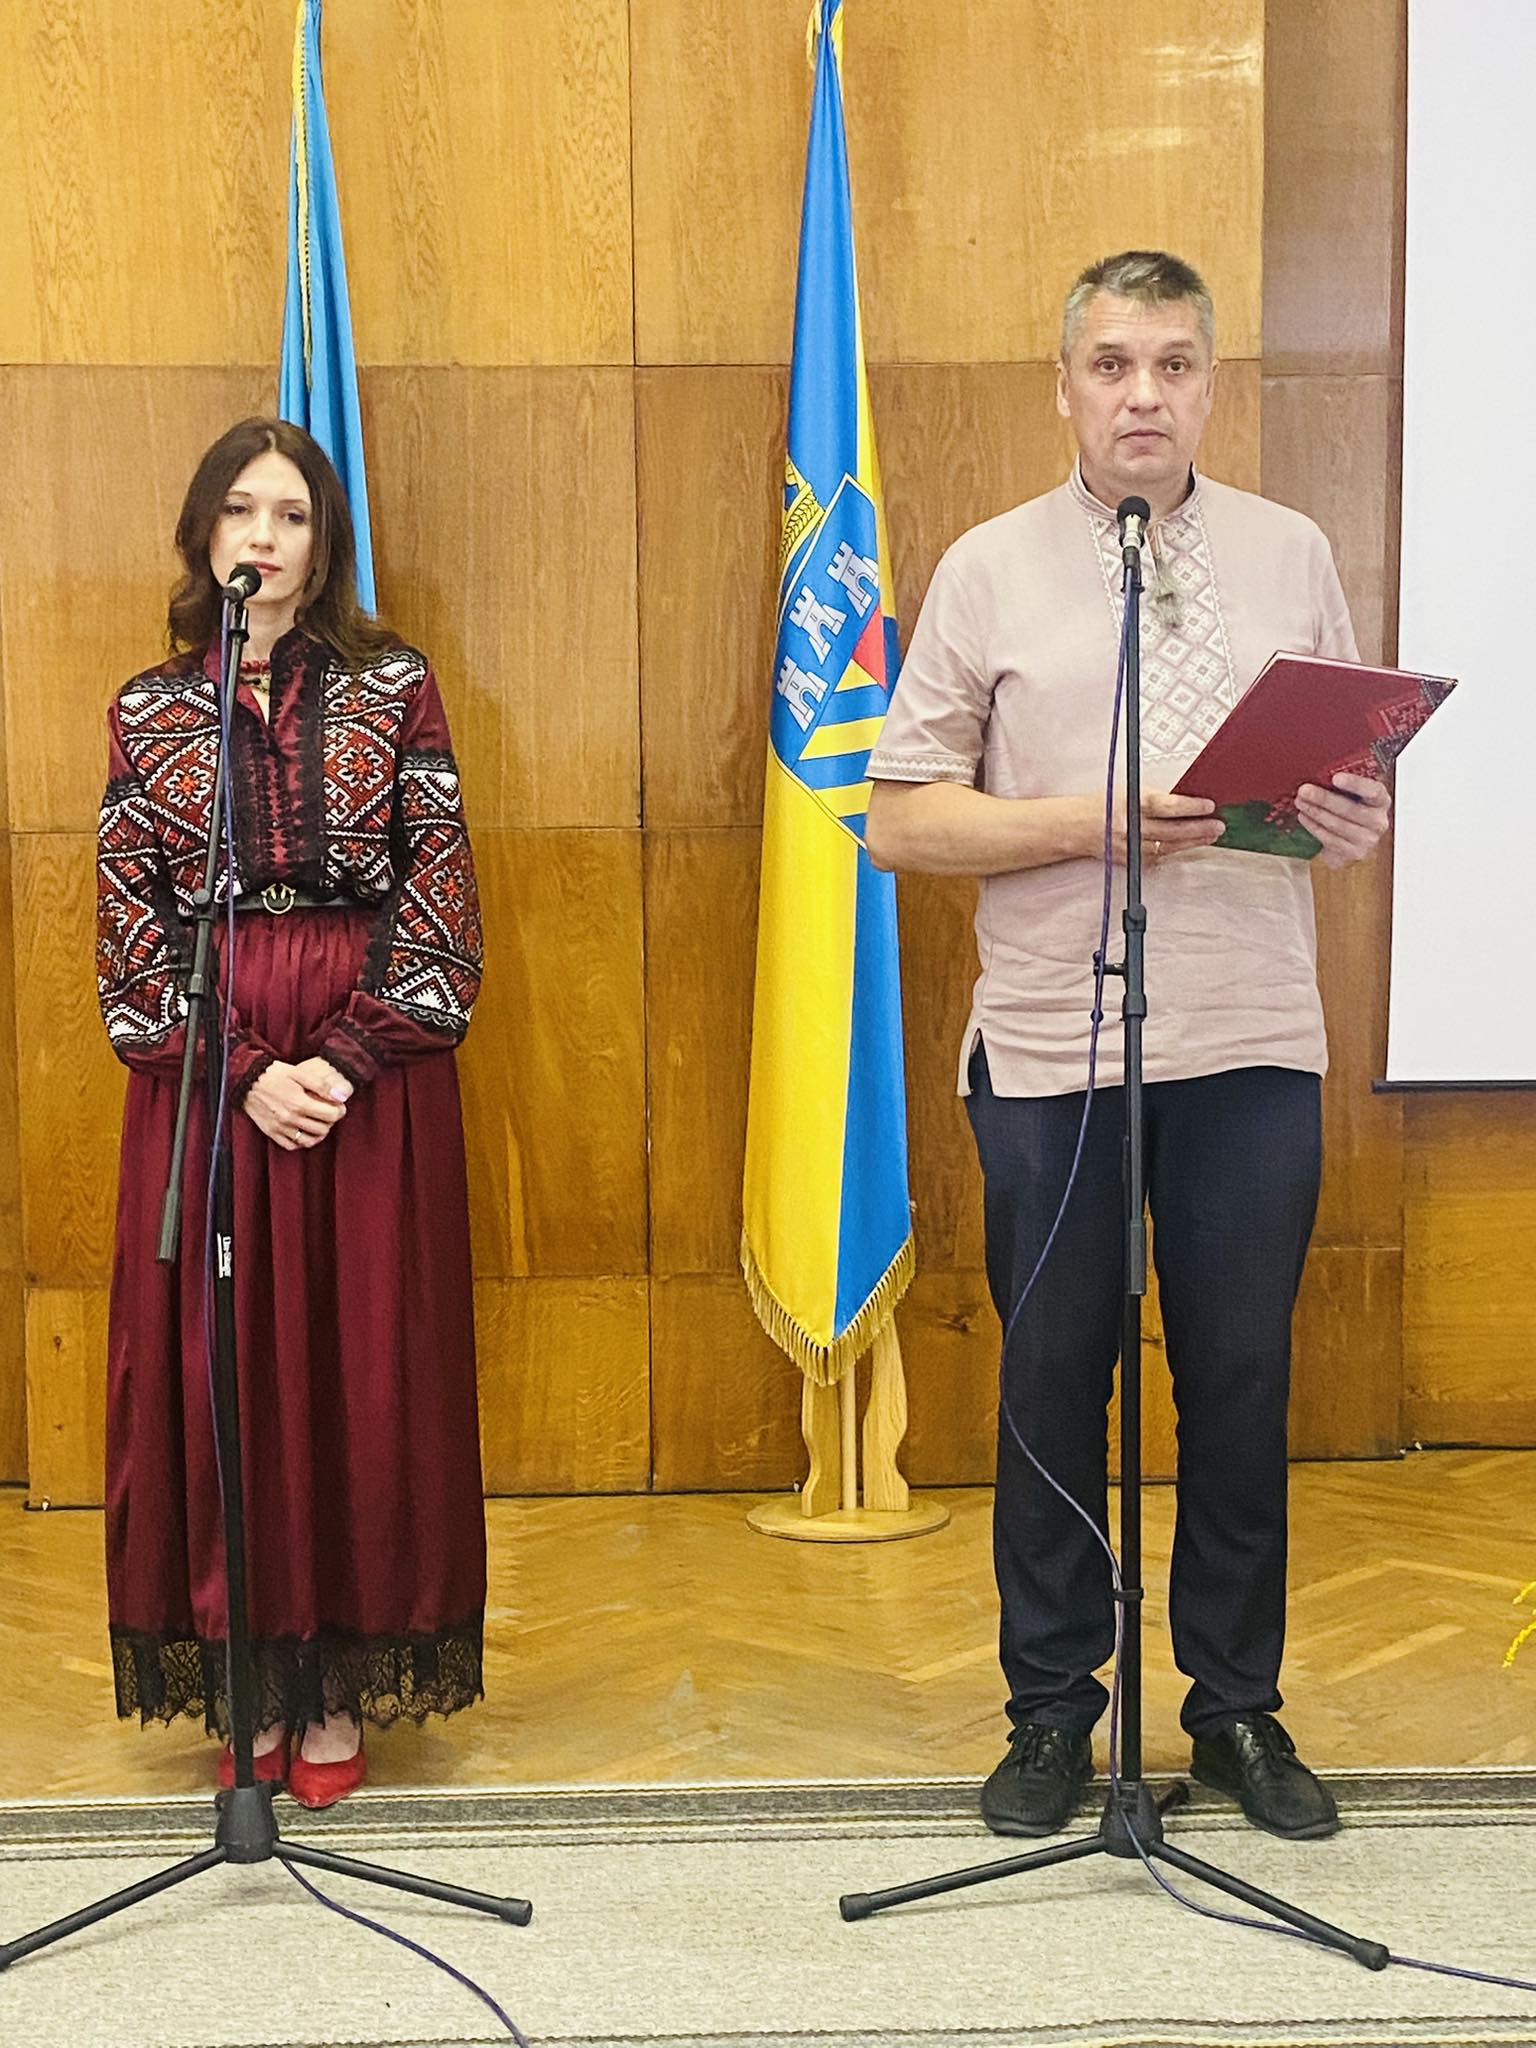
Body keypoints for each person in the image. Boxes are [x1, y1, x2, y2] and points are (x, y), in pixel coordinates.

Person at [864, 251, 1392, 1842]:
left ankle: (1234, 1710)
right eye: (1112, 365)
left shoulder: (1293, 551)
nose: (1143, 394)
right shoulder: (987, 567)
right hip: (1052, 1047)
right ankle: (1051, 1713)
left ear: (1211, 384)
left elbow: (1340, 796)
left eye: (1172, 364)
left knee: (1238, 1379)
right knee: (1054, 1383)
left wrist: (1351, 816)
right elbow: (901, 821)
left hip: (1251, 1037)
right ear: (1065, 387)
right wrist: (1083, 824)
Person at [95, 417, 486, 1809]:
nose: (265, 536)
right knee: (229, 1374)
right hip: (211, 1084)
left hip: (370, 1088)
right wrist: (248, 1070)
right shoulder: (149, 710)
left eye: (295, 515)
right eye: (242, 511)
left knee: (362, 1371)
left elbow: (442, 908)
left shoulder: (395, 686)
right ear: (204, 533)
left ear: (326, 546)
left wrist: (343, 1058)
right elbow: (131, 947)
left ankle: (337, 1687)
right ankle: (250, 1679)